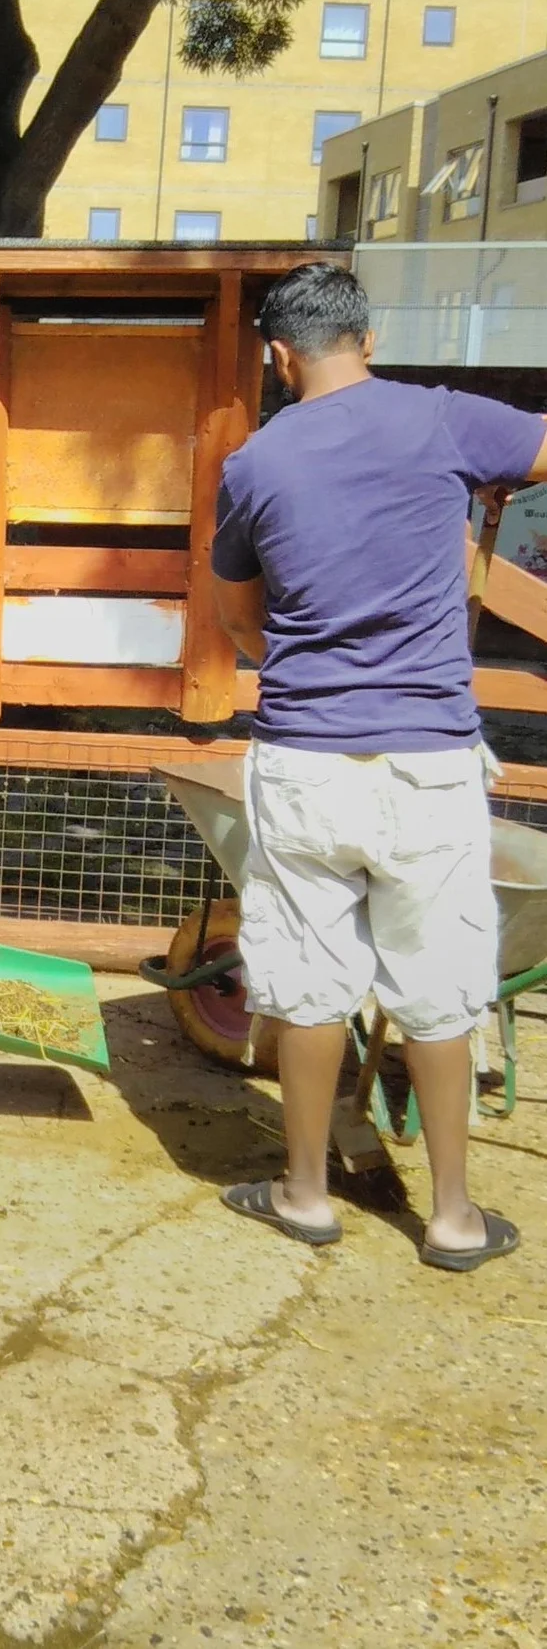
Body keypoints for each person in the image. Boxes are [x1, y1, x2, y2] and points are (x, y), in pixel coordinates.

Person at [212, 260, 547, 1271]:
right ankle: (450, 1218)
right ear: (368, 339)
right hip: (429, 761)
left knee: (310, 983)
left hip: (306, 758)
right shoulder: (442, 420)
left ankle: (305, 1192)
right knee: (440, 983)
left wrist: (311, 661)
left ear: (279, 357)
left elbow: (237, 616)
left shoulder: (255, 463)